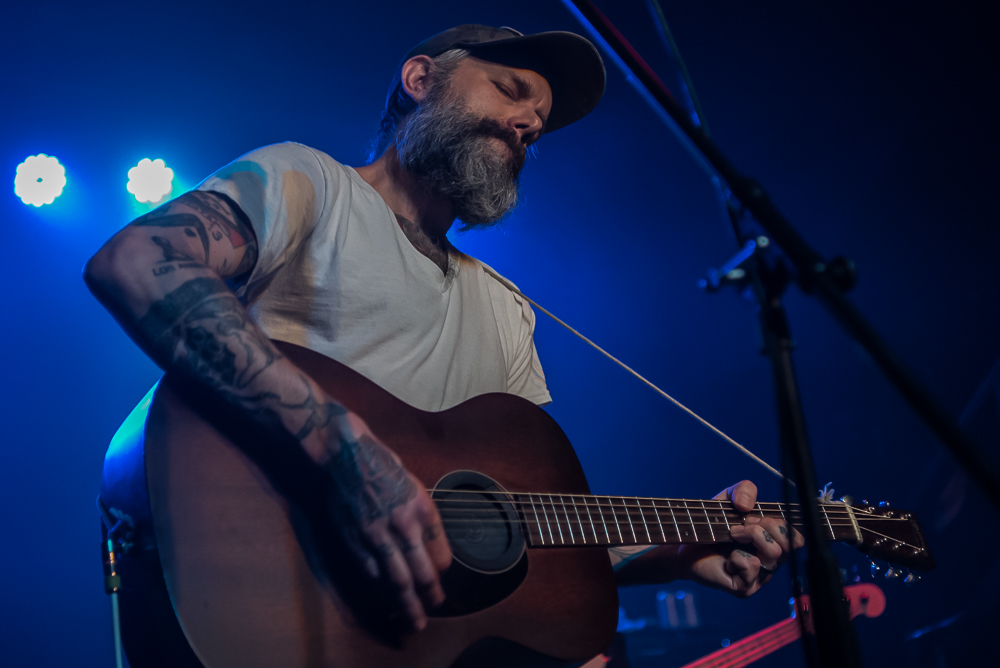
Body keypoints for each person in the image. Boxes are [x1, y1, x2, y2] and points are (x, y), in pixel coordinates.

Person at [84, 24, 802, 639]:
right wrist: (342, 451)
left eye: (539, 123)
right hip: (262, 598)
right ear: (421, 79)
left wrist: (672, 553)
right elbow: (140, 261)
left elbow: (515, 533)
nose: (528, 125)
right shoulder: (310, 183)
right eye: (511, 91)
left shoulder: (507, 308)